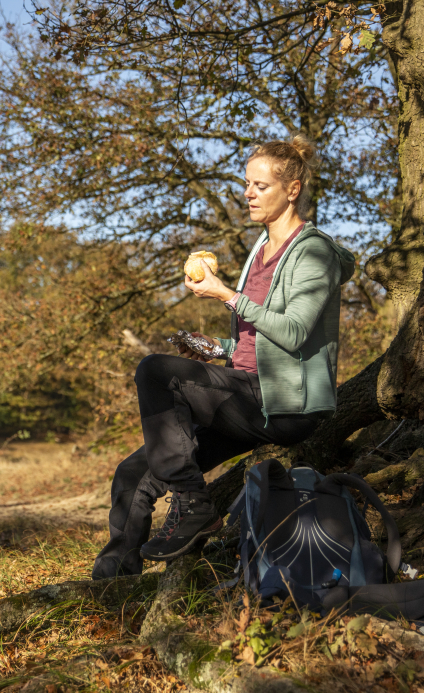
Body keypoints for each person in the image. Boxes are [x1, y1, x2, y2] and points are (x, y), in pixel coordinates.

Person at [92, 135, 356, 580]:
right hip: (247, 391)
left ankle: (194, 506)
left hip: (283, 404)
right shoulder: (260, 250)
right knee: (134, 472)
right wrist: (217, 350)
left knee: (155, 371)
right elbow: (257, 344)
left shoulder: (313, 252)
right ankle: (114, 579)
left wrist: (225, 294)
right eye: (246, 184)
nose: (248, 194)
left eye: (260, 186)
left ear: (292, 190)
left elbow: (292, 333)